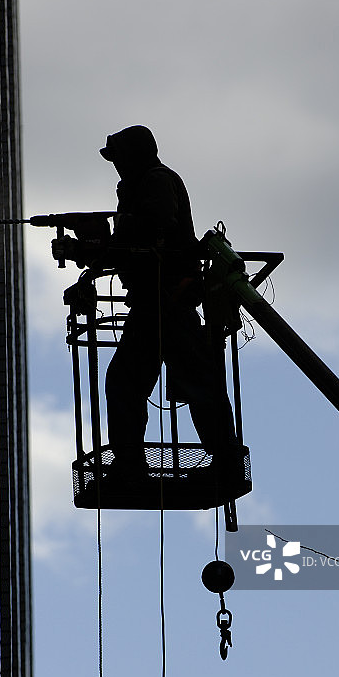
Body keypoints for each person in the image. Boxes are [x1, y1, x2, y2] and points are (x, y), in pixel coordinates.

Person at [98, 125, 238, 482]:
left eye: (120, 159)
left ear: (136, 155)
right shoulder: (136, 185)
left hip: (168, 302)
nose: (117, 167)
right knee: (132, 382)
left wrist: (116, 232)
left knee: (191, 383)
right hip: (153, 304)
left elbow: (155, 223)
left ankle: (223, 460)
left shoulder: (157, 180)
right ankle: (133, 462)